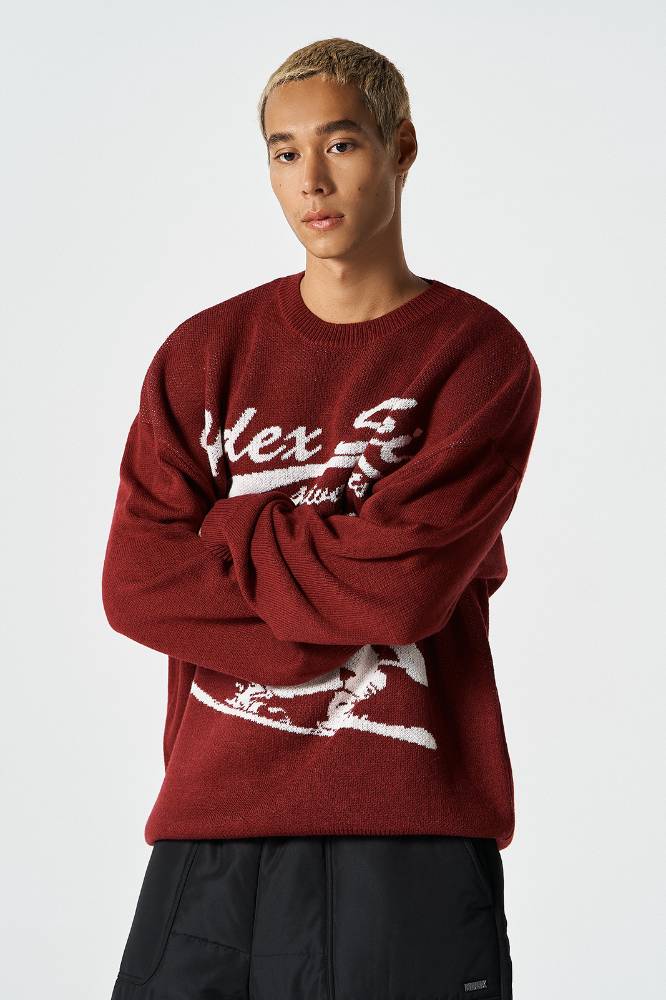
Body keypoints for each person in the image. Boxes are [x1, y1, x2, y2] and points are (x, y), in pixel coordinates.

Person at [103, 36, 541, 1000]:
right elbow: (136, 586)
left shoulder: (475, 356)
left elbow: (401, 593)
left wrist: (231, 529)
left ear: (401, 148)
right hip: (212, 828)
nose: (311, 179)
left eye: (340, 144)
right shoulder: (202, 355)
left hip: (409, 827)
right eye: (284, 151)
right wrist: (338, 576)